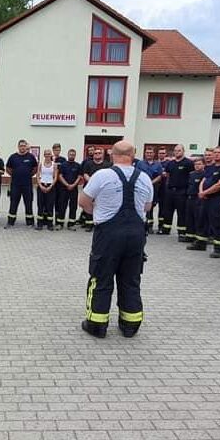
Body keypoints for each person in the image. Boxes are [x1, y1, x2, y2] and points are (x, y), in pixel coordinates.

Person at [79, 140, 153, 339]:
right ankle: (130, 324)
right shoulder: (145, 178)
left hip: (108, 235)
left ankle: (97, 324)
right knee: (131, 278)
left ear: (112, 155)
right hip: (137, 235)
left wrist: (99, 212)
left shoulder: (102, 175)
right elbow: (147, 207)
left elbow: (83, 202)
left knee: (101, 277)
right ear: (133, 154)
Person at [198, 146, 220, 258]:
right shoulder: (210, 167)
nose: (216, 154)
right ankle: (201, 242)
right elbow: (204, 179)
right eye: (215, 152)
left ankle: (219, 248)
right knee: (203, 220)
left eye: (219, 153)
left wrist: (204, 193)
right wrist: (201, 191)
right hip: (206, 198)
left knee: (218, 224)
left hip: (218, 199)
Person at [158, 144, 194, 239]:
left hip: (182, 191)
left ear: (183, 151)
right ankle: (166, 229)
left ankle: (181, 232)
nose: (177, 152)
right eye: (175, 150)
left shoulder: (188, 163)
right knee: (168, 211)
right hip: (170, 191)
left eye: (179, 150)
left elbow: (192, 176)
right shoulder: (171, 163)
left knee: (181, 212)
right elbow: (167, 174)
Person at [4, 139, 38, 228]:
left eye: (24, 146)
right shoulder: (13, 157)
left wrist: (29, 174)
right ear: (18, 147)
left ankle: (30, 222)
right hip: (15, 185)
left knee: (28, 203)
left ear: (26, 147)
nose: (22, 147)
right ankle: (10, 222)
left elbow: (35, 168)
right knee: (13, 203)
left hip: (27, 184)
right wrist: (15, 174)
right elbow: (8, 168)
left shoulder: (31, 157)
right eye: (21, 146)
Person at [79, 147, 110, 231]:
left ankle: (98, 224)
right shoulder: (88, 164)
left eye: (99, 153)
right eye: (96, 153)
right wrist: (93, 183)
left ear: (102, 154)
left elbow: (109, 176)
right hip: (90, 188)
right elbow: (85, 174)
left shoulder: (107, 165)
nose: (97, 154)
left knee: (100, 206)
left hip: (102, 190)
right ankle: (89, 224)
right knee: (89, 206)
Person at [135, 147, 163, 233]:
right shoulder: (140, 163)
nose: (149, 154)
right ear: (145, 153)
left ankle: (150, 226)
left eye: (151, 153)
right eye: (147, 153)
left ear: (153, 154)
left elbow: (159, 176)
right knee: (142, 206)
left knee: (151, 206)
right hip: (142, 187)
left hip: (154, 187)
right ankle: (143, 225)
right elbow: (137, 174)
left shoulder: (157, 164)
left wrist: (150, 183)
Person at [185, 157, 208, 250]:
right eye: (195, 164)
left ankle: (198, 239)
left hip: (198, 199)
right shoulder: (191, 174)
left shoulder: (205, 174)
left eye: (199, 164)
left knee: (198, 219)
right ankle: (190, 236)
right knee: (189, 218)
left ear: (203, 165)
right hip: (190, 198)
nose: (197, 166)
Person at [57, 149, 82, 230]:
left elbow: (79, 176)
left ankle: (71, 224)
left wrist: (74, 185)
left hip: (74, 190)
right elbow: (60, 176)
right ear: (68, 155)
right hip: (64, 189)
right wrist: (67, 185)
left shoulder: (78, 165)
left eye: (73, 154)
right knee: (62, 206)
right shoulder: (63, 165)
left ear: (75, 155)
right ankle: (60, 223)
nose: (72, 156)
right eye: (70, 154)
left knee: (73, 207)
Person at [36, 149, 58, 231]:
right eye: (46, 154)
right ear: (44, 155)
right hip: (41, 186)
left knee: (50, 206)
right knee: (40, 206)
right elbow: (37, 176)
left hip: (50, 187)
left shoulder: (54, 165)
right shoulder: (40, 164)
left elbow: (55, 177)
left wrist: (51, 186)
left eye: (49, 154)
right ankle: (39, 224)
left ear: (51, 155)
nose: (47, 155)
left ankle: (50, 224)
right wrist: (40, 186)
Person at [50, 143, 64, 229]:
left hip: (59, 185)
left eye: (58, 150)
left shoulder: (63, 160)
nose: (56, 151)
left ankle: (59, 222)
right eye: (55, 150)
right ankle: (49, 221)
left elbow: (63, 170)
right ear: (53, 150)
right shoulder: (49, 158)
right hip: (50, 183)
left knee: (59, 204)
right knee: (50, 203)